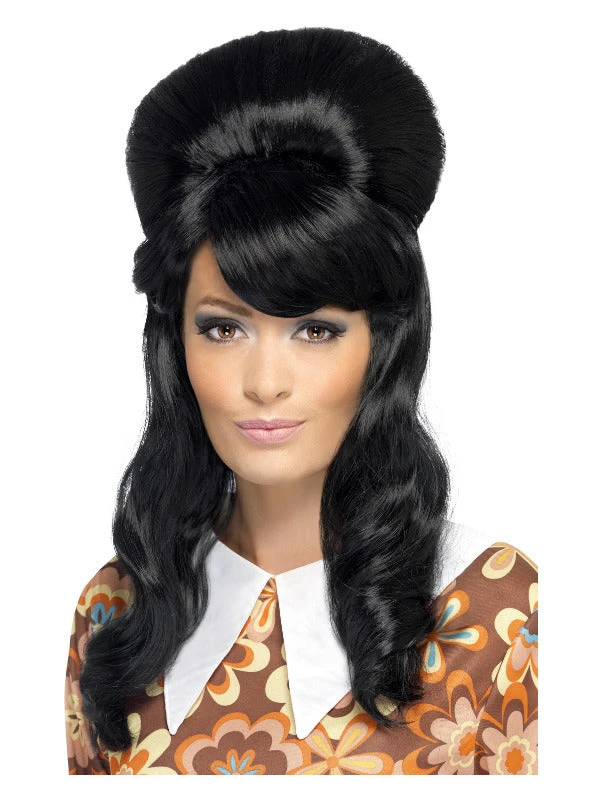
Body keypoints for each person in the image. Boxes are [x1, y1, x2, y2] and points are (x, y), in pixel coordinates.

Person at [64, 27, 538, 775]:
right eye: (223, 328)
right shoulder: (115, 612)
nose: (265, 381)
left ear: (382, 343)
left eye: (315, 330)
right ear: (176, 343)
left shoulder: (498, 613)